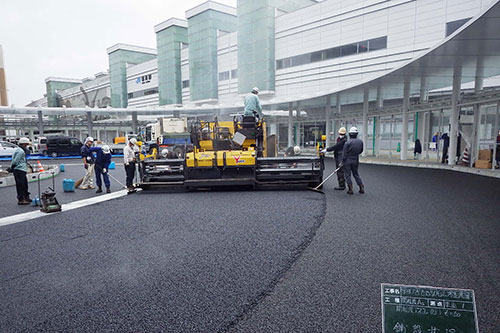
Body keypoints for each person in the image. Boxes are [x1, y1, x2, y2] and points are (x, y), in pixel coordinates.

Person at [7, 137, 31, 205]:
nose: (26, 146)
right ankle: (21, 199)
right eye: (26, 145)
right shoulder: (20, 151)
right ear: (23, 144)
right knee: (20, 185)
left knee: (24, 184)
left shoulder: (20, 150)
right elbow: (15, 161)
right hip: (19, 170)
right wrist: (11, 167)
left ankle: (26, 197)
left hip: (22, 169)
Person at [341, 127, 364, 195]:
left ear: (349, 134)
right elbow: (361, 151)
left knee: (347, 175)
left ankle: (350, 189)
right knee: (356, 174)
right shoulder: (360, 142)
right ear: (356, 134)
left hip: (347, 161)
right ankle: (361, 187)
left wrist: (342, 162)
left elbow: (344, 154)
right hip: (355, 160)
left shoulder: (347, 142)